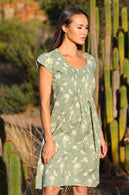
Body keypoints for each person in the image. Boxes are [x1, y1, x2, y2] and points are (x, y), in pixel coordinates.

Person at [35, 6, 107, 195]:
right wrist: (49, 140)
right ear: (65, 28)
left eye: (87, 28)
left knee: (80, 187)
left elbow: (89, 101)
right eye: (80, 27)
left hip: (85, 134)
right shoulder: (49, 61)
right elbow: (44, 104)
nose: (85, 32)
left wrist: (99, 135)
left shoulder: (89, 61)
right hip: (60, 133)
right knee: (51, 186)